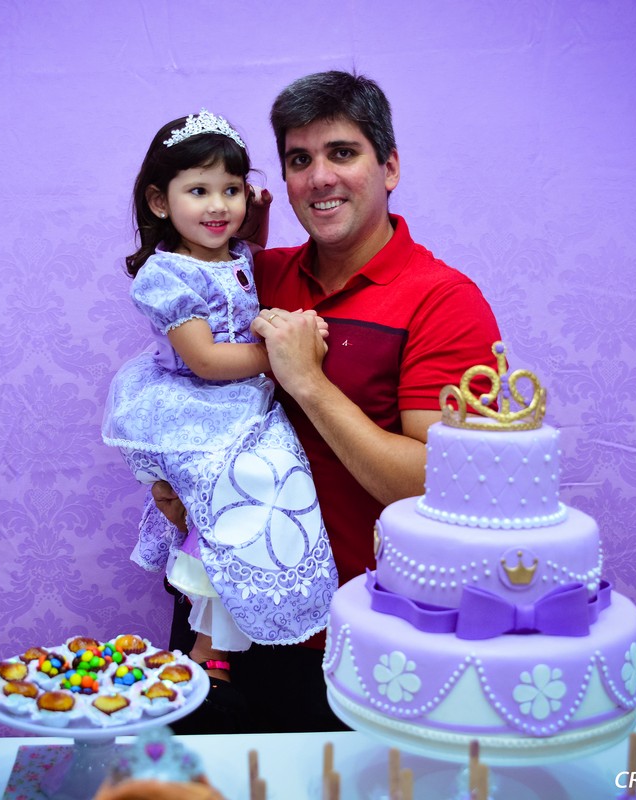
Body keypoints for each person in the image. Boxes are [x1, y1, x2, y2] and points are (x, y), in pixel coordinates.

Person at [156, 71, 502, 732]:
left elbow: (437, 485)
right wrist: (171, 485)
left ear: (390, 166)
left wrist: (309, 383)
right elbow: (187, 389)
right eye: (298, 160)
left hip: (357, 639)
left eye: (342, 153)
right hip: (221, 619)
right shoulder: (255, 275)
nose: (318, 178)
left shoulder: (444, 301)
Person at [101, 110, 339, 724]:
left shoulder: (235, 252)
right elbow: (205, 359)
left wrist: (253, 220)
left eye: (231, 190)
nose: (217, 206)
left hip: (245, 400)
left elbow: (242, 262)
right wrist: (286, 355)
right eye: (199, 191)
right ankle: (209, 647)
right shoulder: (166, 275)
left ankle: (244, 622)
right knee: (232, 495)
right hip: (198, 404)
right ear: (159, 201)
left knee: (272, 488)